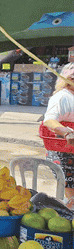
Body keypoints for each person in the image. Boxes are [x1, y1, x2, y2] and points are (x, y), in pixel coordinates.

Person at [43, 63, 74, 207]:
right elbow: (49, 120)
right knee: (72, 197)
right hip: (64, 152)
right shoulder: (62, 97)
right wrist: (66, 132)